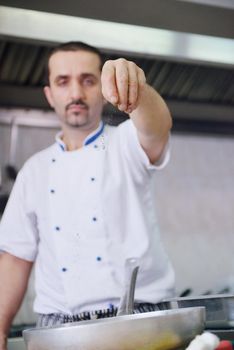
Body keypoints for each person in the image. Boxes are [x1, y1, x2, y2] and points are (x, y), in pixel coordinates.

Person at [0, 41, 175, 349]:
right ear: (49, 94)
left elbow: (157, 127)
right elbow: (15, 258)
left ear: (104, 89)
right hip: (60, 328)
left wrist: (138, 90)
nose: (76, 94)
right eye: (63, 82)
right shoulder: (33, 171)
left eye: (88, 80)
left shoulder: (126, 143)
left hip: (141, 319)